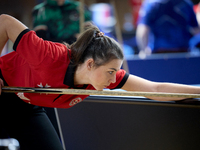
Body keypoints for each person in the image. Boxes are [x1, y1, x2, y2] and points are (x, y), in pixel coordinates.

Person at [1, 14, 200, 150]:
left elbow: (155, 89)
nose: (114, 79)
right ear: (90, 64)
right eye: (111, 71)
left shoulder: (101, 77)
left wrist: (197, 91)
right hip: (4, 89)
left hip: (26, 105)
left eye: (116, 71)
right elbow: (5, 22)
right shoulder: (49, 56)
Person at [136, 0, 200, 57]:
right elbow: (196, 30)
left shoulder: (150, 3)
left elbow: (143, 31)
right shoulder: (186, 3)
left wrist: (144, 50)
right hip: (183, 53)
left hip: (159, 54)